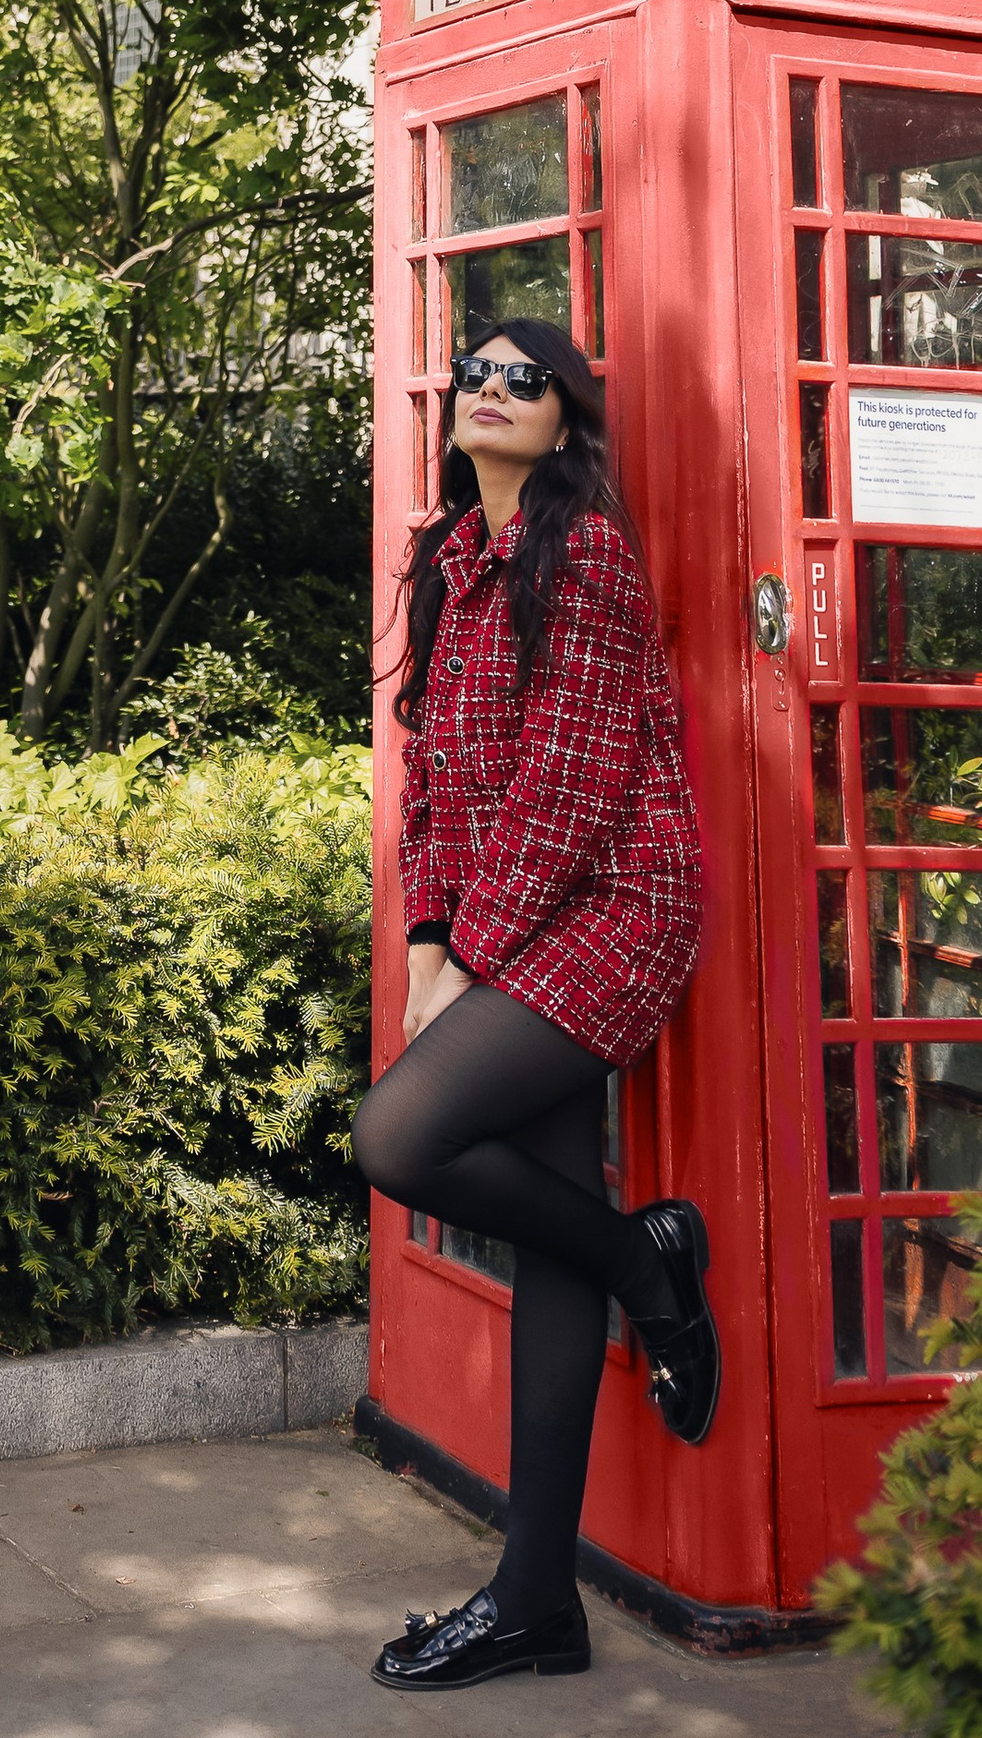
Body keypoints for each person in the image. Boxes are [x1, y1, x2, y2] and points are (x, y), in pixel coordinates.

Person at [354, 322, 715, 1693]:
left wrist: (467, 967)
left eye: (526, 380)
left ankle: (643, 1266)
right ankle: (535, 1602)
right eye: (476, 376)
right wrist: (427, 938)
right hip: (513, 917)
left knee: (401, 1139)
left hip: (615, 904)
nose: (491, 392)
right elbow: (434, 782)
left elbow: (568, 786)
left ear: (567, 423)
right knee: (544, 1237)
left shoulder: (591, 556)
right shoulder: (448, 564)